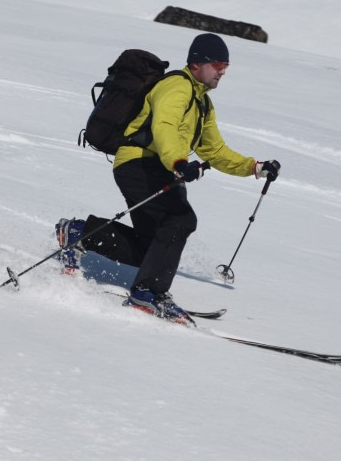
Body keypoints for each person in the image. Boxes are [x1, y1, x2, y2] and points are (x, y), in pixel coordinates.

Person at [56, 33, 280, 323]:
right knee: (180, 221)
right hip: (140, 163)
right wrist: (178, 161)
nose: (222, 70)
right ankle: (147, 294)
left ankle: (79, 232)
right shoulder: (176, 87)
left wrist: (255, 167)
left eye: (225, 65)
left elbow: (214, 149)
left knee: (152, 251)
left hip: (159, 166)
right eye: (217, 64)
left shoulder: (202, 103)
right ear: (198, 63)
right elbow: (165, 128)